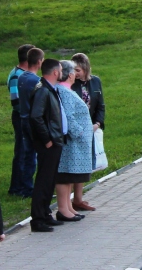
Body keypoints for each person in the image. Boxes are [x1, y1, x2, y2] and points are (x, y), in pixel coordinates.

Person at [28, 58, 66, 232]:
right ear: (55, 72)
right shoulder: (43, 90)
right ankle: (38, 219)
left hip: (55, 141)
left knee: (50, 180)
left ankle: (45, 214)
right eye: (60, 70)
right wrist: (47, 139)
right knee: (44, 180)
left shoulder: (49, 89)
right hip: (48, 143)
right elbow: (36, 117)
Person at [54, 60, 92, 222]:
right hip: (71, 142)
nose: (76, 74)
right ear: (69, 74)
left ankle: (68, 206)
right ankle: (63, 209)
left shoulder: (67, 90)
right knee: (64, 174)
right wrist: (80, 133)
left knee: (69, 175)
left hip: (75, 142)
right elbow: (68, 116)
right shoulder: (63, 90)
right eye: (74, 71)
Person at [70, 53, 104, 211]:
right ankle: (68, 199)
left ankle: (78, 198)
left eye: (78, 70)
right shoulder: (70, 84)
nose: (75, 73)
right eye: (73, 70)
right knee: (73, 164)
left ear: (85, 68)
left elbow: (100, 105)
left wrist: (97, 123)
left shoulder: (95, 81)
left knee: (85, 165)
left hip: (90, 127)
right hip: (75, 129)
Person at [15, 48, 43, 198]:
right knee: (36, 156)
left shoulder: (21, 78)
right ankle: (34, 188)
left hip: (23, 119)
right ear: (39, 62)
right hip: (33, 121)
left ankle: (26, 187)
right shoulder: (36, 81)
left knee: (28, 155)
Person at [6, 44, 33, 196]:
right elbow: (16, 101)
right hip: (21, 117)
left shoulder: (22, 73)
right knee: (22, 151)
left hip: (24, 115)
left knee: (25, 150)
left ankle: (22, 185)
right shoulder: (17, 75)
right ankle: (17, 188)